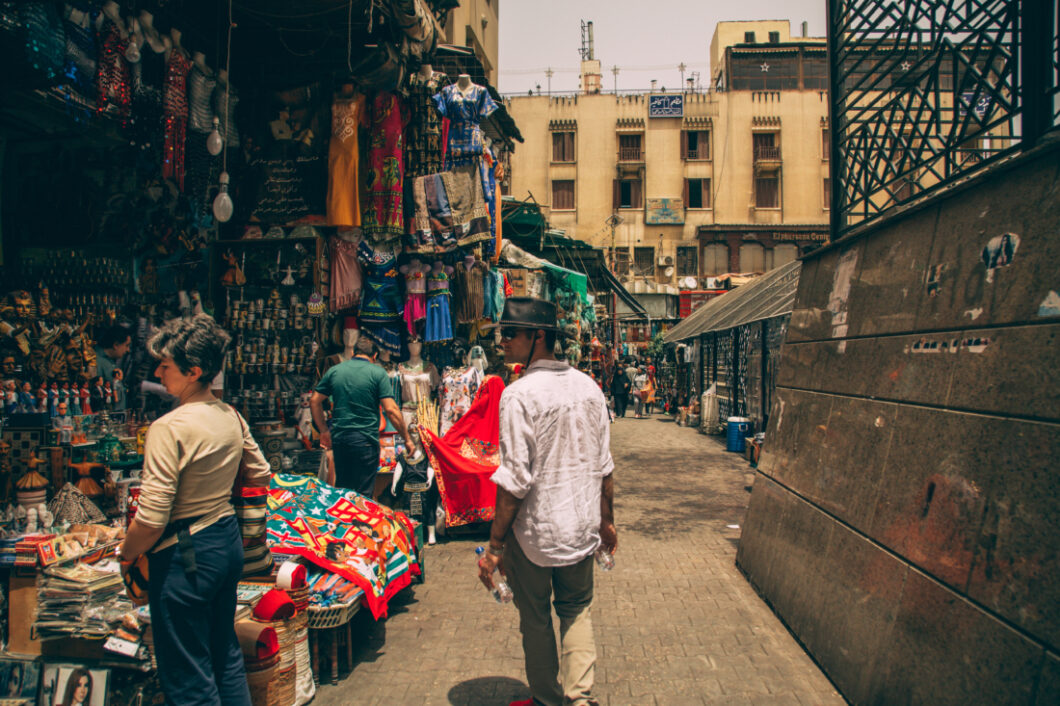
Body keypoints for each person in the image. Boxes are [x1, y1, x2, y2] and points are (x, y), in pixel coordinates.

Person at [118, 314, 270, 706]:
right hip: (226, 543)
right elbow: (260, 472)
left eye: (165, 365)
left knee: (188, 674)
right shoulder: (230, 415)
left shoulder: (169, 428)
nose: (158, 372)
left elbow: (151, 519)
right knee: (224, 654)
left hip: (186, 555)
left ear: (193, 371)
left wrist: (127, 552)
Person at [477, 297, 616, 706]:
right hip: (580, 527)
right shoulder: (589, 388)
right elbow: (605, 468)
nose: (503, 342)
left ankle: (547, 700)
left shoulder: (519, 395)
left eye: (510, 334)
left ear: (539, 336)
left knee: (535, 619)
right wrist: (607, 523)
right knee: (576, 610)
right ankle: (580, 698)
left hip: (535, 534)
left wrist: (495, 546)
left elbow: (515, 481)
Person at [310, 336, 415, 497]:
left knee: (343, 491)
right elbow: (392, 410)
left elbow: (315, 401)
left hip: (340, 441)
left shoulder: (335, 371)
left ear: (353, 352)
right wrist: (407, 439)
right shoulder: (377, 373)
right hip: (365, 441)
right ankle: (359, 521)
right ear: (374, 356)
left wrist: (324, 430)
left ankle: (344, 521)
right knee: (363, 495)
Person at [93, 324, 132, 411]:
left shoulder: (110, 361)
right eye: (126, 345)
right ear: (116, 345)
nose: (128, 350)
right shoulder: (97, 362)